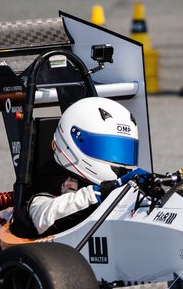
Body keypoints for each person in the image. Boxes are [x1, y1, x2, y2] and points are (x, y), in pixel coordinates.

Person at [27, 97, 147, 236]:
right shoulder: (50, 192)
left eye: (124, 150)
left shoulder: (124, 186)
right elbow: (42, 218)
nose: (118, 160)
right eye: (107, 149)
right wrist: (104, 192)